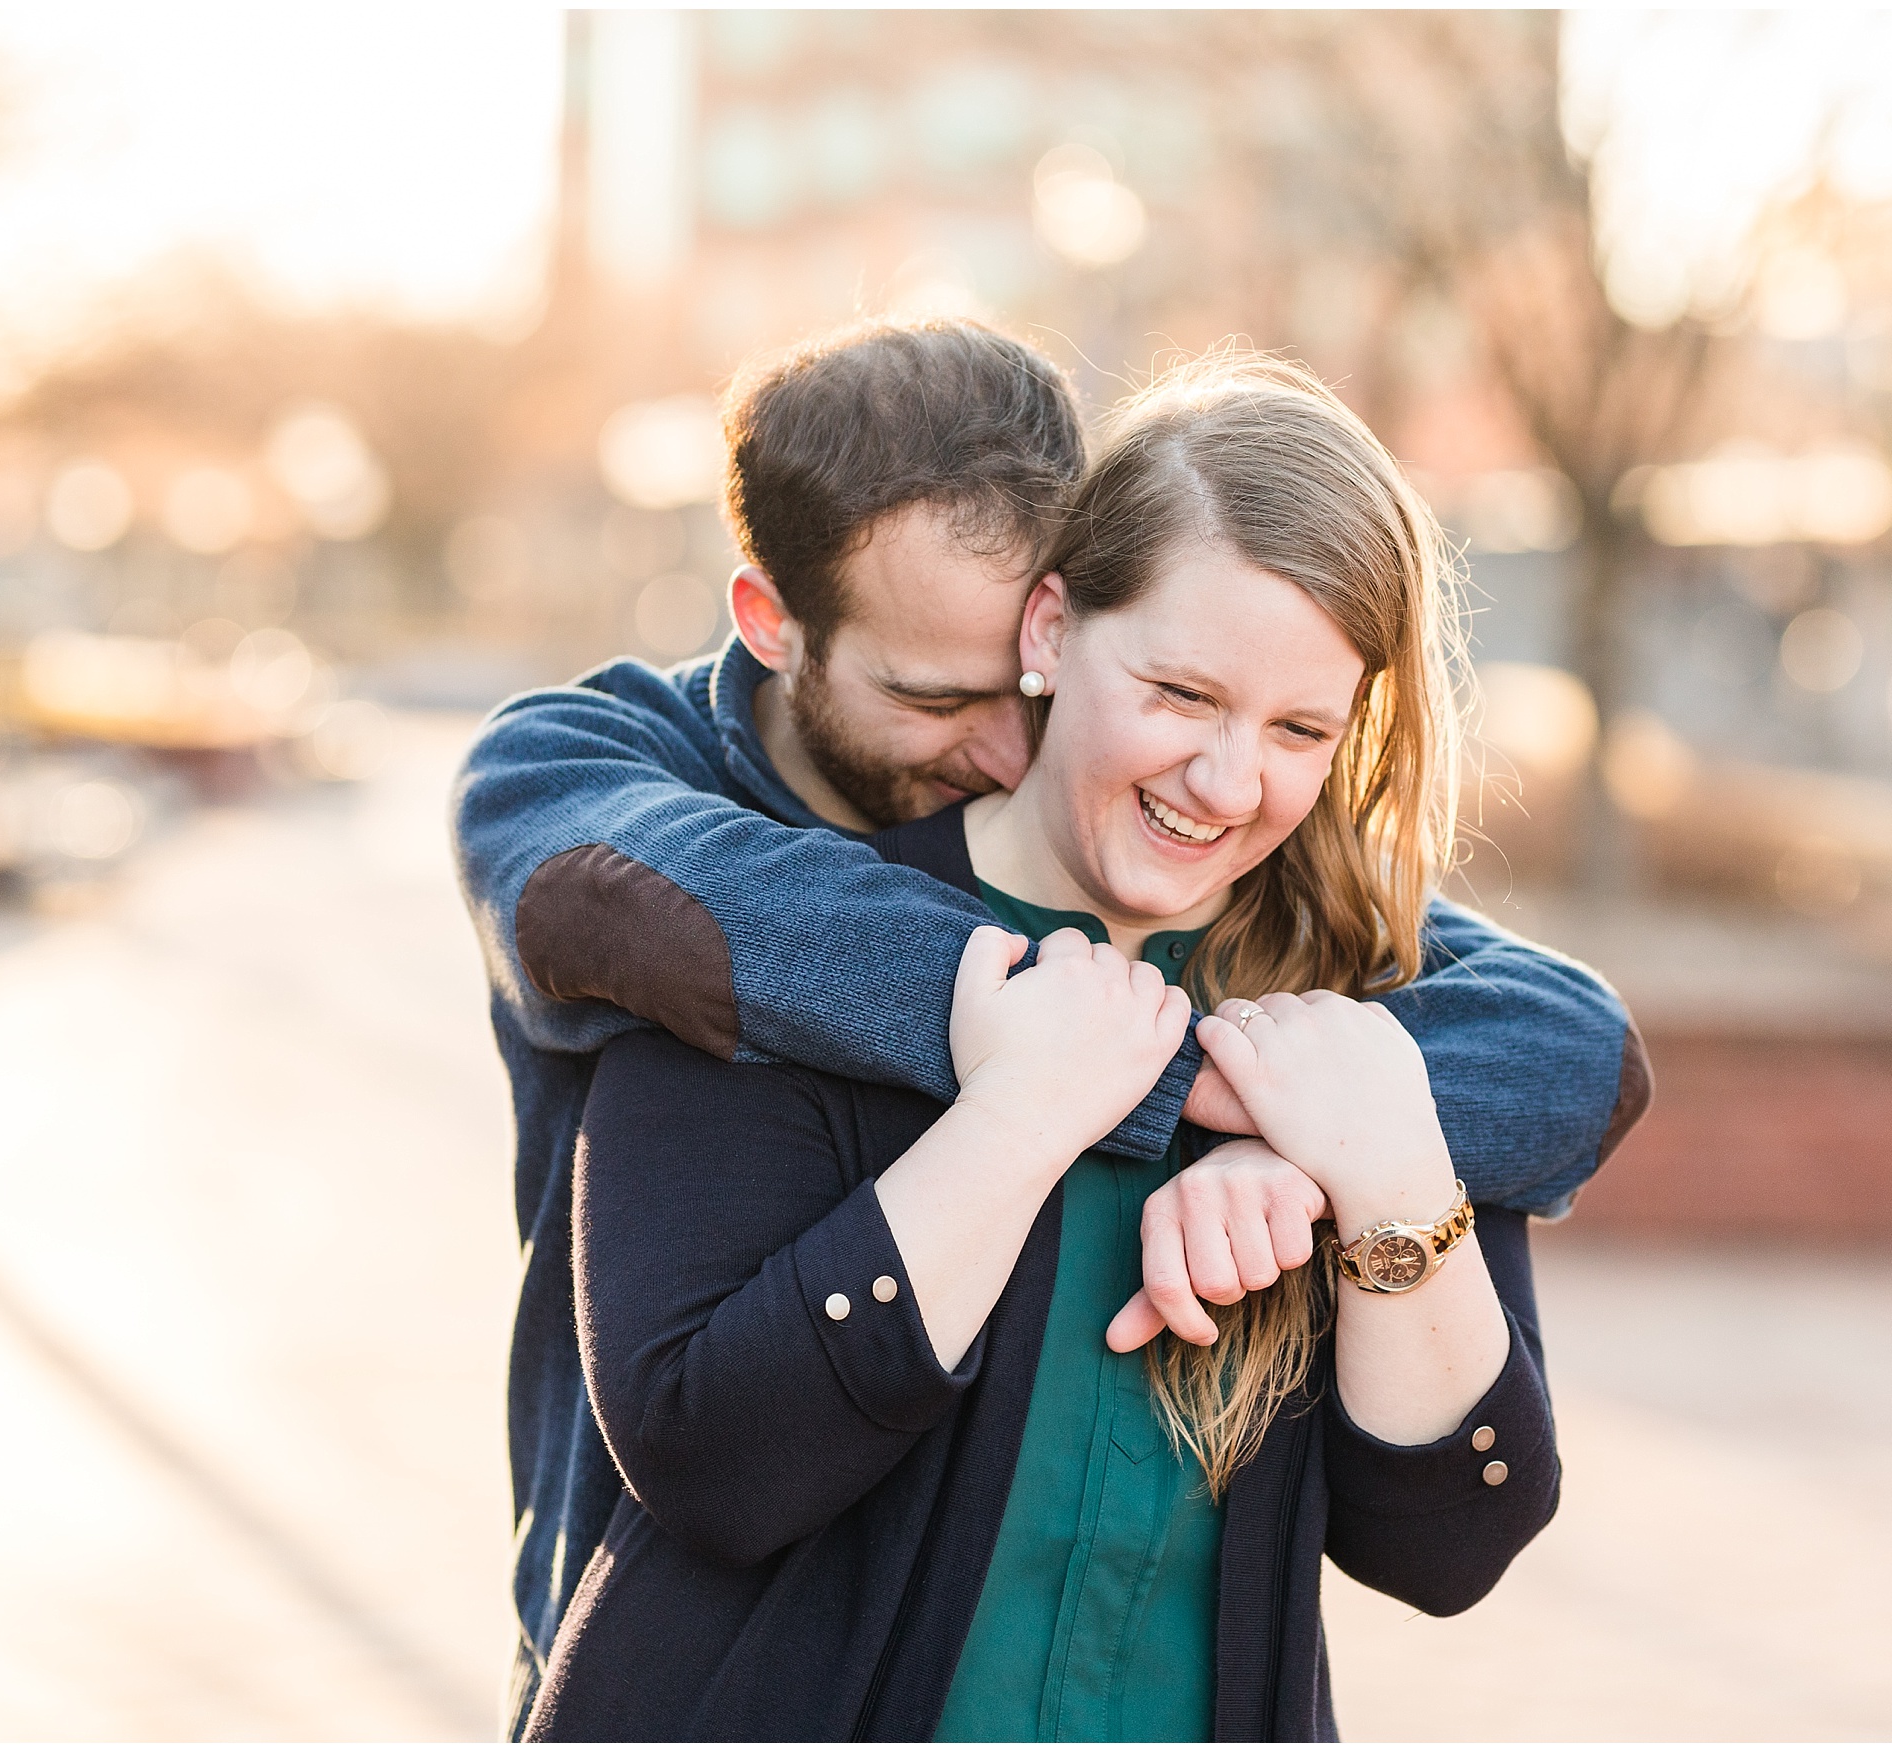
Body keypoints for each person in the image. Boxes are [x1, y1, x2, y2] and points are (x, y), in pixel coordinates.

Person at [450, 318, 1649, 1737]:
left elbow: (1445, 1543)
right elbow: (715, 1460)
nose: (1222, 780)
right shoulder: (725, 905)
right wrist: (1039, 1096)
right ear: (1053, 632)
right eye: (1178, 694)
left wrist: (1344, 1156)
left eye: (1297, 731)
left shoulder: (1353, 1028)